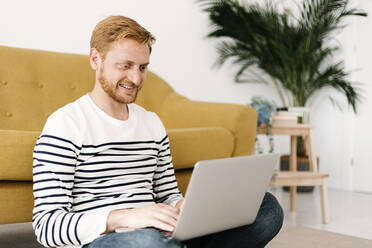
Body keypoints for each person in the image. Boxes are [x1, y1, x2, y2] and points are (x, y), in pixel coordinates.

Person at [32, 15, 283, 248]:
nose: (136, 78)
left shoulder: (151, 123)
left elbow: (167, 193)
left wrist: (184, 207)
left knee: (267, 207)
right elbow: (46, 226)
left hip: (163, 234)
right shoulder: (66, 124)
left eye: (142, 67)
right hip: (111, 239)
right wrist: (123, 218)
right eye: (126, 65)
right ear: (95, 59)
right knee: (147, 241)